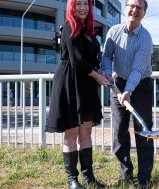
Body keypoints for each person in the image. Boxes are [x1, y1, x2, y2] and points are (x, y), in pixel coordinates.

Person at [45, 0, 108, 188]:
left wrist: (99, 72)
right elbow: (77, 61)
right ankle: (73, 180)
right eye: (78, 3)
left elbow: (89, 59)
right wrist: (97, 76)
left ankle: (89, 177)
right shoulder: (68, 28)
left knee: (86, 132)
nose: (82, 7)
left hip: (86, 84)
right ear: (72, 6)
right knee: (71, 133)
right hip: (69, 84)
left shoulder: (88, 30)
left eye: (86, 4)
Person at [101, 0, 154, 187]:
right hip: (117, 84)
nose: (135, 10)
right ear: (125, 9)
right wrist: (107, 72)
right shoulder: (113, 31)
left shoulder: (145, 38)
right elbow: (106, 55)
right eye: (131, 5)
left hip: (141, 86)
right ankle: (125, 173)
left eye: (140, 7)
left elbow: (138, 70)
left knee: (144, 132)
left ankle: (144, 178)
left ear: (144, 12)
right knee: (119, 132)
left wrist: (128, 91)